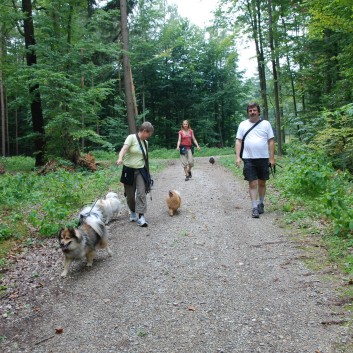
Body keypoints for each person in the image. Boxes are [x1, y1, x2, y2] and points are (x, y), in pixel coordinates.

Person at [235, 102, 275, 218]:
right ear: (248, 112)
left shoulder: (266, 124)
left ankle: (261, 203)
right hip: (248, 158)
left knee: (262, 182)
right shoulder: (243, 124)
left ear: (258, 112)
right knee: (252, 183)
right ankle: (254, 207)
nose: (252, 112)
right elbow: (238, 141)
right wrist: (238, 157)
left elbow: (271, 141)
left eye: (254, 110)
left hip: (263, 158)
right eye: (250, 111)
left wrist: (272, 158)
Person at [117, 122, 154, 227]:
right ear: (144, 131)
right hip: (128, 170)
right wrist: (120, 158)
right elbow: (124, 149)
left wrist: (148, 173)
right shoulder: (131, 138)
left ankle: (141, 216)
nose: (149, 136)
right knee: (130, 196)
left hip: (140, 170)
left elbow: (145, 159)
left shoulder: (145, 143)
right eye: (149, 134)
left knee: (141, 193)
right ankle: (133, 212)